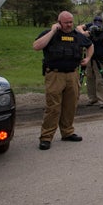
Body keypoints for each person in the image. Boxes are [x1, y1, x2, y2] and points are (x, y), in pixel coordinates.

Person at [33, 11, 93, 150]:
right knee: (53, 107)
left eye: (71, 22)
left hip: (72, 75)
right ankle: (46, 137)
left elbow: (90, 45)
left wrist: (88, 58)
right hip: (55, 75)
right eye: (66, 22)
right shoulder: (50, 33)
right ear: (59, 22)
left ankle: (67, 132)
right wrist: (53, 31)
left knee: (70, 106)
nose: (69, 25)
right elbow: (36, 46)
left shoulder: (77, 35)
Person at [76, 16, 103, 108]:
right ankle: (92, 98)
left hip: (101, 57)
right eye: (95, 22)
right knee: (89, 78)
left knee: (100, 79)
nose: (97, 24)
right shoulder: (89, 26)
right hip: (89, 57)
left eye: (99, 22)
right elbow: (78, 28)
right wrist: (84, 33)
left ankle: (102, 100)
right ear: (93, 22)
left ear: (102, 23)